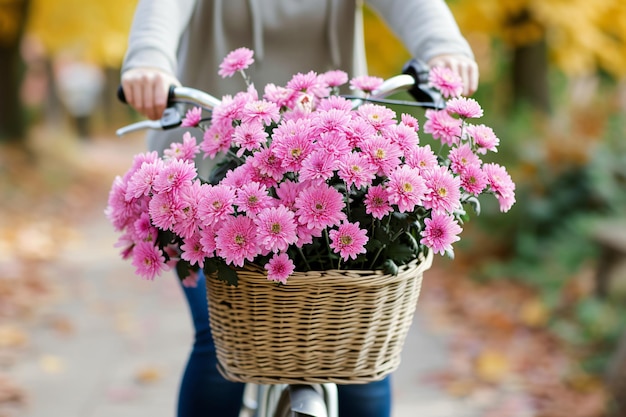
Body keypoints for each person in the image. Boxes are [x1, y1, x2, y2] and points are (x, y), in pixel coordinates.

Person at [120, 1, 478, 416]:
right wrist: (148, 59)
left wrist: (445, 47)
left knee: (360, 356)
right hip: (208, 168)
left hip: (333, 164)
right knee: (219, 346)